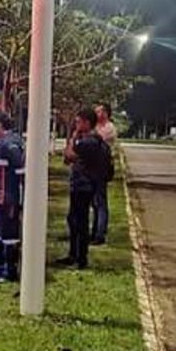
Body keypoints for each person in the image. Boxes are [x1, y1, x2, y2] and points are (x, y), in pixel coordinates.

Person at [60, 108, 111, 270]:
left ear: (87, 123)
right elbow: (67, 159)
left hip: (84, 186)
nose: (76, 124)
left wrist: (73, 138)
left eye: (78, 122)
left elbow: (69, 155)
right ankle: (73, 254)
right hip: (78, 184)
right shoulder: (85, 140)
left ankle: (81, 258)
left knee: (80, 222)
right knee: (72, 219)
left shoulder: (90, 142)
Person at [0, 112, 25, 283]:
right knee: (0, 231)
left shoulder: (10, 146)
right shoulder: (1, 145)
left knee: (9, 233)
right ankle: (1, 265)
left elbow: (20, 172)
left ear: (0, 126)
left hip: (7, 197)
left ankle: (10, 271)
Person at [91, 103, 117, 245]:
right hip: (92, 168)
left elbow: (95, 141)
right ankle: (95, 231)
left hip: (102, 168)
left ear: (106, 113)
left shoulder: (109, 128)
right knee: (94, 203)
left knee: (100, 202)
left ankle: (100, 233)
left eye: (99, 111)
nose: (96, 113)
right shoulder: (96, 127)